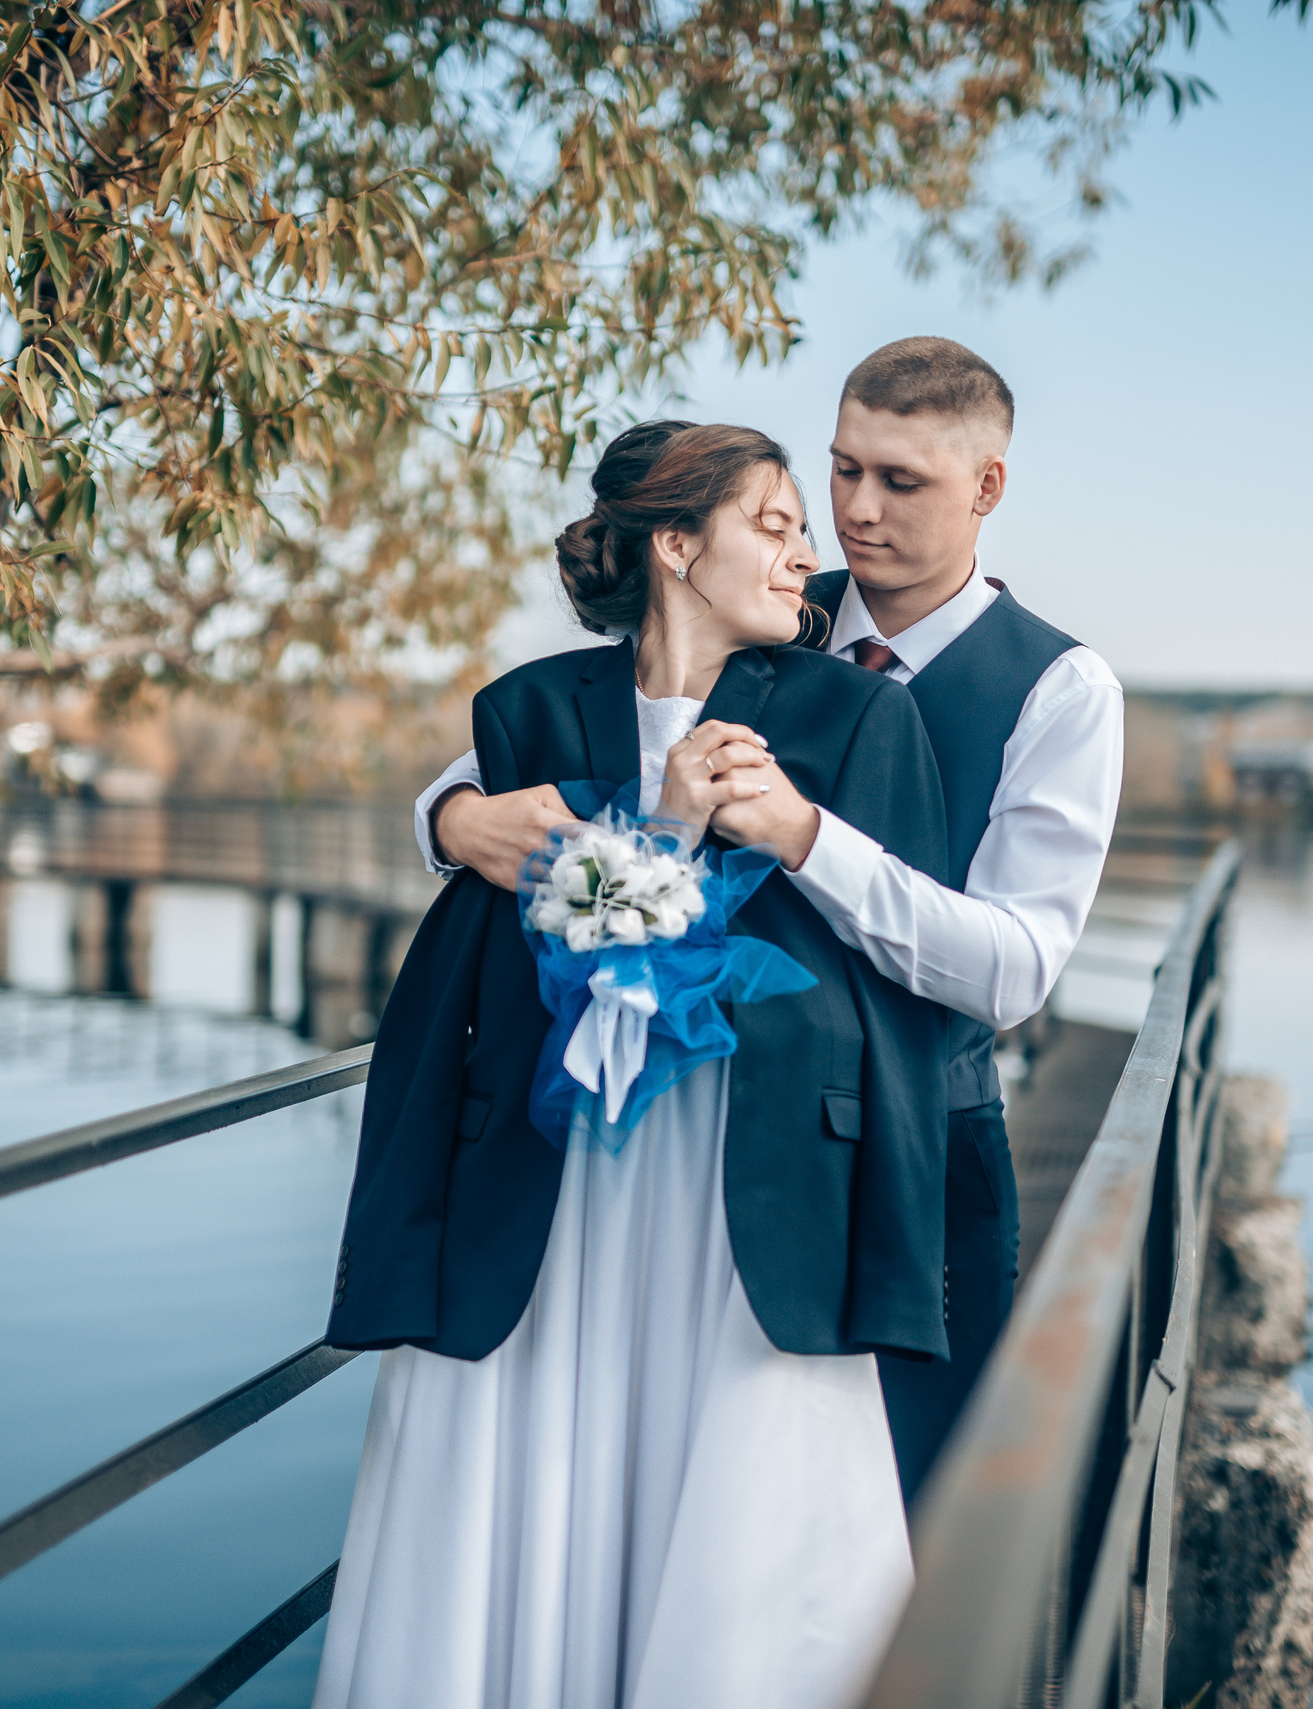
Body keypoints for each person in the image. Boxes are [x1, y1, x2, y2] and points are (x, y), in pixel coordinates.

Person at [420, 338, 1125, 1504]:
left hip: (921, 1133)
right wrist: (450, 817)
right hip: (710, 1158)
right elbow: (568, 744)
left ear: (987, 487)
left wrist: (806, 836)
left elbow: (1013, 970)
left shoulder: (1060, 689)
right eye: (843, 469)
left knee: (914, 1507)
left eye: (900, 481)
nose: (856, 511)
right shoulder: (765, 600)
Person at [317, 423, 953, 1709]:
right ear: (675, 544)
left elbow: (902, 961)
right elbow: (487, 894)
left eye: (800, 529)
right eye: (773, 524)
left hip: (749, 1175)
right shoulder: (526, 709)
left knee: (738, 1479)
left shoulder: (855, 713)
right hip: (556, 1167)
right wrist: (461, 821)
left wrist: (786, 832)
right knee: (541, 1449)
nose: (806, 553)